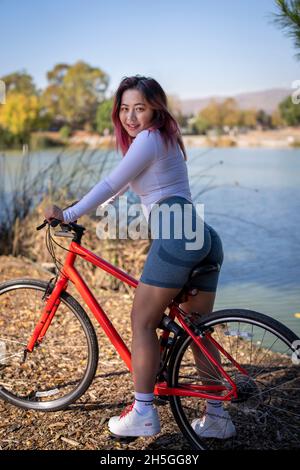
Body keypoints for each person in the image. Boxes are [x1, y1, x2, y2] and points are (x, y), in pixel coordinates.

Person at [44, 75, 235, 439]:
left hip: (177, 235)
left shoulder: (148, 138)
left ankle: (143, 411)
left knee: (143, 322)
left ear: (155, 109)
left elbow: (109, 184)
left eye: (140, 108)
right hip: (201, 235)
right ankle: (217, 417)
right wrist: (103, 206)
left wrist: (68, 214)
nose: (131, 117)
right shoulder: (164, 138)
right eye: (125, 108)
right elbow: (129, 186)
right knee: (198, 332)